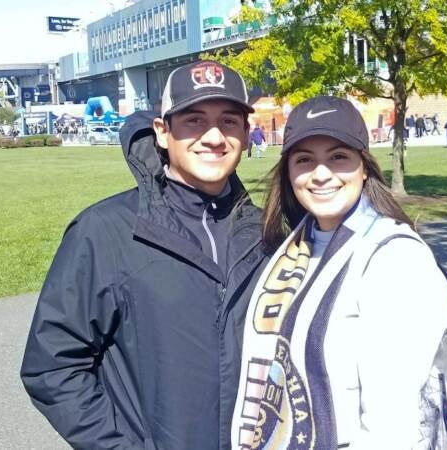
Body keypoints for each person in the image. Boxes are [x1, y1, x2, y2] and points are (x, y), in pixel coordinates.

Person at [231, 96, 447, 449]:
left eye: (338, 157)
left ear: (365, 166)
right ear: (289, 171)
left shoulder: (396, 259)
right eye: (304, 160)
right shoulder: (297, 247)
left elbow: (390, 428)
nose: (321, 174)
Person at [20, 61, 268, 449]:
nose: (214, 136)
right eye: (194, 120)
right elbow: (53, 365)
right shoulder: (105, 231)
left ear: (246, 134)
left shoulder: (265, 232)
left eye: (229, 121)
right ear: (163, 133)